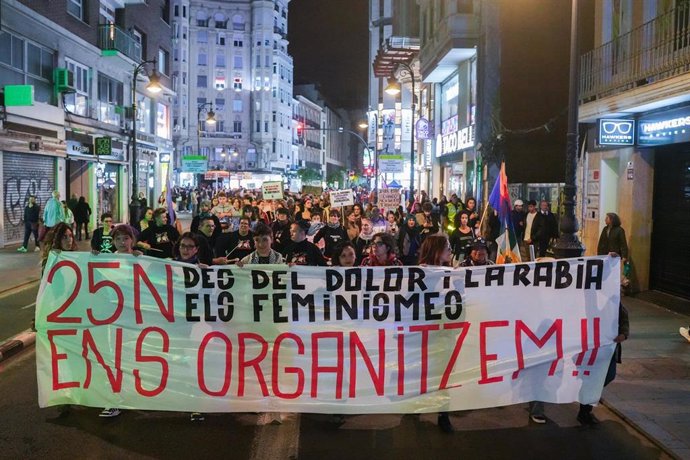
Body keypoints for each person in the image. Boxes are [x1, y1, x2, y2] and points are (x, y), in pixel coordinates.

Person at [417, 234, 454, 432]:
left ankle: (443, 414)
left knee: (443, 375)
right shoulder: (419, 273)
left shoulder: (450, 272)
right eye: (447, 247)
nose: (450, 250)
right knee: (421, 371)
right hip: (424, 333)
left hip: (443, 332)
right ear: (436, 250)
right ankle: (416, 407)